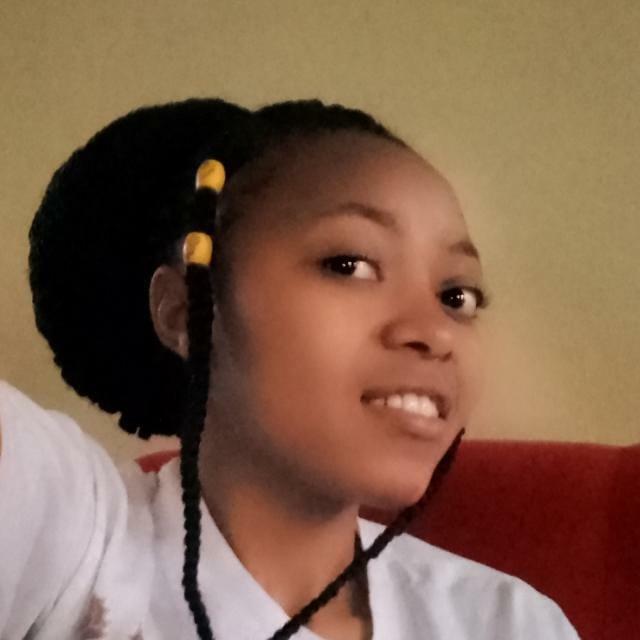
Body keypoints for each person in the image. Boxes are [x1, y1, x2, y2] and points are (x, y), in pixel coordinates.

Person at [0, 98, 580, 639]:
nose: (435, 331)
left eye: (458, 296)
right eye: (349, 264)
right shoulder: (79, 543)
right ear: (187, 311)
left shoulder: (509, 622)